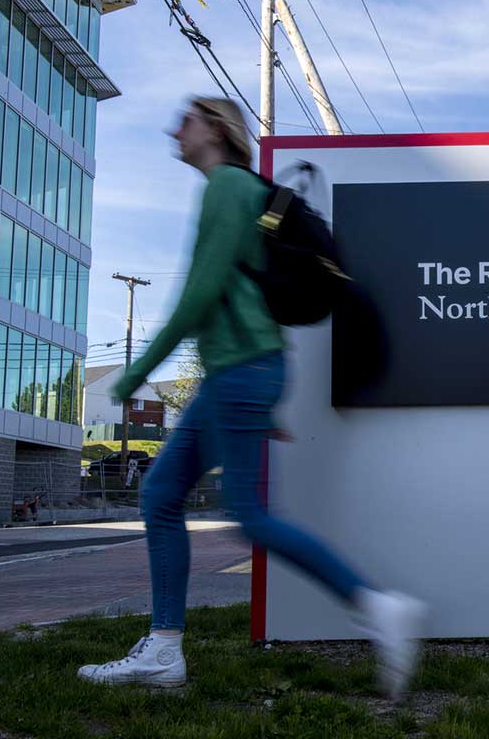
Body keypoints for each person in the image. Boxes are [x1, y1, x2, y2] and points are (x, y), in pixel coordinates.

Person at [77, 97, 427, 698]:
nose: (173, 128)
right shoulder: (235, 190)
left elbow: (200, 295)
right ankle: (164, 648)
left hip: (243, 372)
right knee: (163, 493)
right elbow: (232, 299)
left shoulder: (228, 189)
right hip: (241, 374)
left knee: (248, 516)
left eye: (184, 119)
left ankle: (374, 604)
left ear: (214, 129)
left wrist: (135, 377)